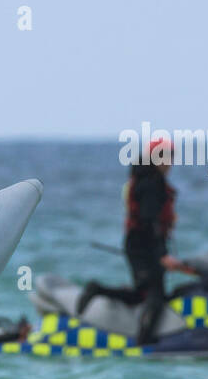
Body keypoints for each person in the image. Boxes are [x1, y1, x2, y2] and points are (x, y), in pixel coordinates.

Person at [76, 137, 186, 345]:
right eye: (165, 156)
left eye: (171, 156)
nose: (170, 162)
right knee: (154, 296)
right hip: (143, 246)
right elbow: (149, 221)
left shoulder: (146, 178)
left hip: (140, 244)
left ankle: (97, 289)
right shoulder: (152, 182)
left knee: (141, 294)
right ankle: (145, 341)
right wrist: (162, 255)